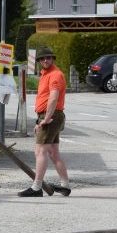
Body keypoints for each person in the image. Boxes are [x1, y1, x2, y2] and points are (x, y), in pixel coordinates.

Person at [19, 47, 71, 197]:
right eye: (42, 59)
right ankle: (65, 185)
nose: (45, 60)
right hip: (50, 116)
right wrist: (41, 119)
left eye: (48, 58)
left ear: (53, 58)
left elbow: (53, 98)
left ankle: (36, 187)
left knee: (40, 151)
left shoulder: (55, 75)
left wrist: (46, 119)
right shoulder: (45, 74)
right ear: (39, 61)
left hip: (51, 116)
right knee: (54, 153)